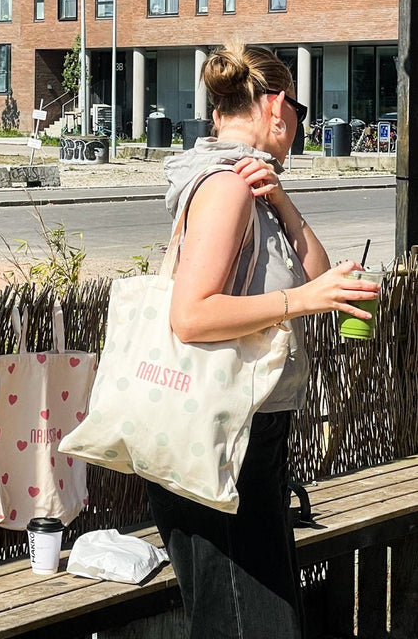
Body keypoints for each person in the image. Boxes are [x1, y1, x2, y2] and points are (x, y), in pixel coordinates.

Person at [146, 42, 379, 639]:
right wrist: (301, 301)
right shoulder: (225, 187)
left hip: (251, 434)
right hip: (225, 436)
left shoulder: (254, 184)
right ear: (277, 106)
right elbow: (191, 316)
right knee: (249, 626)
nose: (300, 123)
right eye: (299, 109)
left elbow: (317, 272)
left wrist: (283, 202)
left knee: (254, 620)